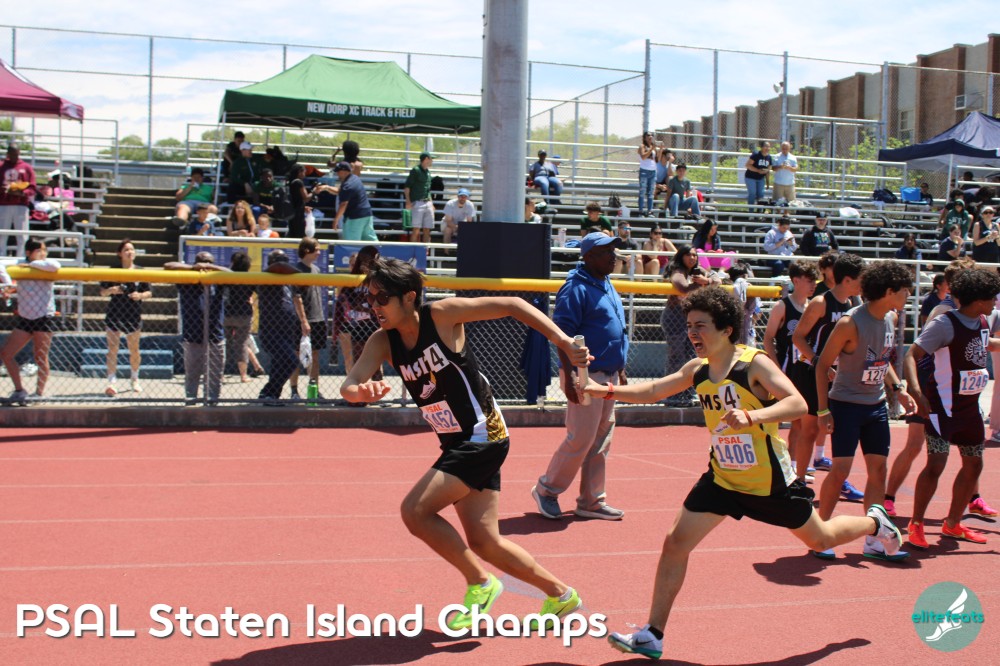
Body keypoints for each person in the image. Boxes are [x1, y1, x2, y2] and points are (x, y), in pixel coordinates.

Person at [600, 286, 903, 661]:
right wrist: (603, 390)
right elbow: (654, 390)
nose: (692, 333)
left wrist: (753, 416)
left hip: (769, 482)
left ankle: (875, 523)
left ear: (726, 329)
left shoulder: (753, 364)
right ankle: (653, 635)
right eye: (689, 326)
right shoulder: (698, 369)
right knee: (675, 543)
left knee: (820, 539)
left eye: (701, 326)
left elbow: (797, 404)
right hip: (723, 478)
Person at [340, 257, 588, 629]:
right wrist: (360, 393)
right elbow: (349, 385)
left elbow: (513, 304)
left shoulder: (441, 316)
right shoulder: (383, 341)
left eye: (382, 298)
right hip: (457, 442)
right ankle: (561, 595)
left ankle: (481, 582)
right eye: (370, 298)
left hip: (482, 435)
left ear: (409, 297)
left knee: (415, 511)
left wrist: (564, 343)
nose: (374, 306)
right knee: (485, 542)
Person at [813, 261, 916, 561]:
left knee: (878, 471)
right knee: (840, 470)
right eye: (905, 290)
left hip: (876, 406)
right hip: (846, 405)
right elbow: (821, 365)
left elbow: (881, 361)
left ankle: (874, 538)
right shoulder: (850, 322)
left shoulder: (891, 319)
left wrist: (898, 388)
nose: (909, 295)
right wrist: (822, 410)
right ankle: (820, 533)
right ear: (889, 291)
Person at [533, 232, 629, 521]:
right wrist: (570, 376)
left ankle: (591, 500)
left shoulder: (605, 282)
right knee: (582, 438)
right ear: (588, 257)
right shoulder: (575, 287)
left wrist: (620, 366)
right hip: (586, 375)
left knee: (601, 440)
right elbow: (560, 335)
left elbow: (614, 328)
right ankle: (547, 490)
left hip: (608, 375)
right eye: (606, 252)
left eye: (613, 250)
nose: (613, 256)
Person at [903, 267, 1000, 549]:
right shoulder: (944, 324)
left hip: (970, 409)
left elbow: (986, 344)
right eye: (992, 297)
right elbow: (911, 354)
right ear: (978, 300)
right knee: (936, 463)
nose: (996, 301)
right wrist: (916, 391)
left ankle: (953, 524)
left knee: (974, 464)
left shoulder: (983, 321)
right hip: (942, 408)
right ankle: (916, 523)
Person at [790, 253, 866, 499]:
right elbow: (798, 337)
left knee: (838, 429)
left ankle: (838, 480)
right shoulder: (821, 302)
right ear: (847, 279)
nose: (864, 283)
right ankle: (799, 482)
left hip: (838, 375)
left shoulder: (852, 304)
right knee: (810, 429)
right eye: (861, 278)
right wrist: (818, 362)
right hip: (810, 371)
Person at [763, 260, 820, 478]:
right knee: (790, 421)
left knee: (802, 422)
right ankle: (785, 465)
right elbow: (768, 339)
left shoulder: (812, 307)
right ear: (796, 281)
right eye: (809, 280)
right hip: (786, 371)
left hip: (805, 370)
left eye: (815, 281)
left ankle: (793, 465)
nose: (813, 285)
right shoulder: (782, 307)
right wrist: (776, 368)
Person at [662, 246, 721, 407]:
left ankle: (687, 393)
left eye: (694, 255)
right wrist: (702, 283)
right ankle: (671, 395)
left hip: (692, 319)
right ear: (681, 256)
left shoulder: (698, 271)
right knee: (676, 357)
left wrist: (707, 281)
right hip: (675, 317)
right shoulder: (678, 271)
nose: (692, 258)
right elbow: (682, 288)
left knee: (691, 357)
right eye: (688, 254)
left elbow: (718, 279)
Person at [165, 253, 227, 406]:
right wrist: (193, 268)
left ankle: (212, 403)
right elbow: (168, 266)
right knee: (192, 375)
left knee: (214, 376)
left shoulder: (217, 281)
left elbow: (232, 274)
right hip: (192, 336)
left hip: (215, 336)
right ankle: (191, 401)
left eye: (209, 262)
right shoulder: (187, 280)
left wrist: (211, 267)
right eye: (202, 262)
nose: (204, 266)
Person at [0, 239, 58, 403]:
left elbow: (55, 266)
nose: (43, 253)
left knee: (40, 356)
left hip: (44, 317)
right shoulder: (20, 264)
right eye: (39, 250)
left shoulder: (46, 264)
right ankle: (19, 390)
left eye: (44, 250)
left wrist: (32, 265)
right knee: (6, 354)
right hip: (25, 317)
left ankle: (39, 393)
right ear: (28, 252)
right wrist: (7, 285)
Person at [100, 239, 151, 397]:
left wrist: (140, 295)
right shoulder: (112, 270)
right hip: (115, 312)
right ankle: (111, 381)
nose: (130, 252)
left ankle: (135, 378)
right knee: (113, 348)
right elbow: (102, 292)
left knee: (134, 349)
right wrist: (112, 290)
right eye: (126, 250)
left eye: (132, 249)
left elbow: (149, 292)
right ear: (120, 253)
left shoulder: (140, 271)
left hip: (133, 313)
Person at [255, 250, 303, 404]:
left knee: (278, 364)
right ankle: (267, 392)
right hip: (271, 331)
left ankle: (272, 396)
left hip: (286, 330)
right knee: (291, 361)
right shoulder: (267, 276)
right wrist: (300, 274)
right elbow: (280, 265)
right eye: (282, 259)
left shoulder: (287, 280)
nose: (285, 262)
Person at [332, 246, 381, 380]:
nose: (363, 264)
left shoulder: (375, 278)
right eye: (354, 263)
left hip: (373, 323)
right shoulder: (350, 280)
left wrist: (367, 309)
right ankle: (355, 383)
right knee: (354, 357)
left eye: (367, 260)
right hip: (355, 324)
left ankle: (377, 384)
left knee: (375, 358)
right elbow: (343, 301)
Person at [288, 237, 326, 401]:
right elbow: (297, 298)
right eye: (316, 249)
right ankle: (294, 390)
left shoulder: (315, 269)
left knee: (314, 357)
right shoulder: (297, 270)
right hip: (301, 321)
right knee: (297, 355)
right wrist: (303, 321)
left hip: (317, 319)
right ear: (306, 250)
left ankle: (314, 390)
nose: (319, 252)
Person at [223, 252, 265, 383]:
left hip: (226, 313)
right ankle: (243, 375)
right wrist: (252, 302)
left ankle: (219, 374)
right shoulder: (249, 278)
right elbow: (261, 293)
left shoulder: (227, 276)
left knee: (223, 343)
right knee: (241, 344)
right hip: (244, 314)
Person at [0, 144, 37, 258]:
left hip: (21, 204)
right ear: (7, 154)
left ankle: (22, 257)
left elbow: (32, 187)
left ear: (19, 153)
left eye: (16, 154)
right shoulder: (1, 166)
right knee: (2, 233)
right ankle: (1, 256)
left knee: (22, 234)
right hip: (3, 203)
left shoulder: (26, 167)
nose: (14, 157)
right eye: (11, 154)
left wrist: (22, 192)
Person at [331, 161, 376, 241]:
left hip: (354, 217)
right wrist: (326, 188)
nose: (337, 174)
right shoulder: (355, 178)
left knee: (351, 243)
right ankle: (379, 249)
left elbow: (344, 204)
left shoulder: (347, 185)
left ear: (344, 171)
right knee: (370, 242)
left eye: (338, 171)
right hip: (367, 214)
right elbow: (340, 191)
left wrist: (336, 219)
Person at [404, 152, 436, 243]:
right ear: (426, 159)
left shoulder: (428, 172)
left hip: (427, 202)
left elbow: (428, 190)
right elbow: (407, 187)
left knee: (427, 229)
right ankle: (413, 249)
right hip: (417, 202)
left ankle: (425, 250)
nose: (432, 161)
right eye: (431, 159)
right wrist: (408, 202)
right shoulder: (416, 170)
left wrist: (431, 203)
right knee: (416, 229)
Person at [728, 262, 760, 347]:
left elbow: (758, 314)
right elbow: (757, 315)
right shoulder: (727, 289)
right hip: (732, 329)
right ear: (745, 275)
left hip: (747, 330)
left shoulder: (751, 289)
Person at [637, 132, 660, 217]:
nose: (650, 137)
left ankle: (650, 211)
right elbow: (643, 157)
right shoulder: (642, 146)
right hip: (644, 171)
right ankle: (641, 211)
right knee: (642, 191)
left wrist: (660, 149)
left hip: (653, 171)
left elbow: (657, 160)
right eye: (648, 135)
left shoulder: (653, 147)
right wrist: (651, 149)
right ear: (644, 137)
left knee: (651, 193)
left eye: (651, 135)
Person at [743, 141, 772, 207]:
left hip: (760, 178)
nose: (767, 148)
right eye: (766, 146)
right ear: (761, 147)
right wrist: (758, 170)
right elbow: (748, 165)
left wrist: (768, 183)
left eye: (768, 147)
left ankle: (760, 211)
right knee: (752, 193)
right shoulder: (756, 155)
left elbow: (768, 169)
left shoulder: (769, 157)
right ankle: (751, 211)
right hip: (750, 177)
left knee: (761, 194)